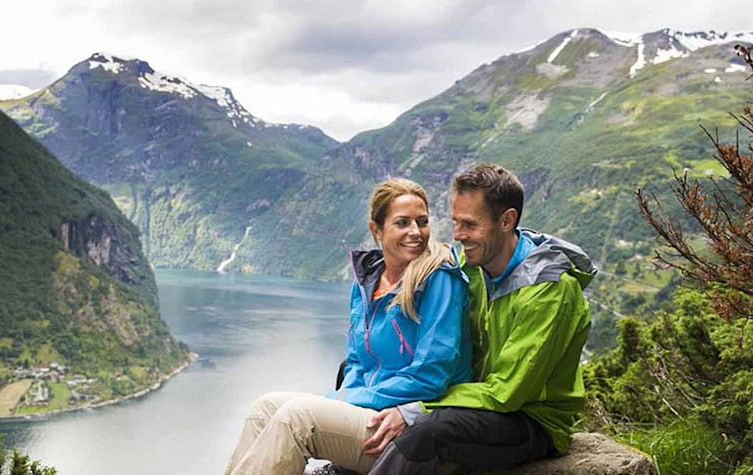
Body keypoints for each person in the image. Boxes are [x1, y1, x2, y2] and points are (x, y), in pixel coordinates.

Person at [224, 178, 473, 475]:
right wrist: (349, 399)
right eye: (402, 223)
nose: (416, 233)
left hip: (414, 425)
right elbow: (356, 361)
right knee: (264, 408)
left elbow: (431, 374)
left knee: (298, 419)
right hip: (372, 411)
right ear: (376, 230)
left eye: (422, 222)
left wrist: (348, 401)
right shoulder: (368, 281)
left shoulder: (439, 278)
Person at [364, 164, 596, 473]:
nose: (459, 235)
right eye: (456, 222)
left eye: (470, 225)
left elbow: (506, 394)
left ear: (507, 220)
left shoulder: (549, 291)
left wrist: (418, 405)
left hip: (530, 420)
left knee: (428, 433)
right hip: (478, 397)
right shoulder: (472, 267)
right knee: (368, 376)